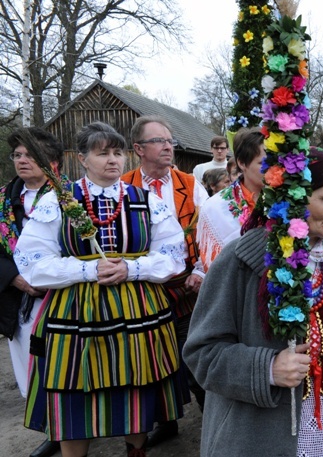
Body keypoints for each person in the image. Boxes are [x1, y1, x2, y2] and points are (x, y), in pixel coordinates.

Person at [183, 148, 323, 456]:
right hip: (259, 437)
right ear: (294, 199)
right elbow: (201, 354)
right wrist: (266, 369)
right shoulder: (241, 262)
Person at [14, 122, 187, 457]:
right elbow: (32, 260)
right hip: (75, 313)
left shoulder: (144, 200)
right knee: (73, 394)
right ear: (83, 159)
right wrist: (87, 269)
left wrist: (132, 268)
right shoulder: (58, 202)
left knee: (136, 386)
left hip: (137, 309)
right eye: (102, 152)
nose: (113, 160)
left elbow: (173, 253)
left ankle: (135, 451)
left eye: (118, 152)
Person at [122, 115, 209, 446]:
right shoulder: (125, 186)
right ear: (139, 148)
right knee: (151, 359)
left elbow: (207, 232)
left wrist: (201, 269)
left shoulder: (189, 184)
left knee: (194, 355)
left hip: (185, 285)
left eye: (170, 140)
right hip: (141, 288)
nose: (168, 146)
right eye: (159, 141)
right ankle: (165, 421)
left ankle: (212, 423)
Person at [0, 128, 63, 457]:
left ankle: (68, 425)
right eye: (18, 155)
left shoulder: (69, 198)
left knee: (63, 363)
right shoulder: (2, 202)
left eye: (30, 155)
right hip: (20, 300)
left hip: (62, 296)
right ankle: (51, 428)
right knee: (29, 364)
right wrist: (14, 279)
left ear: (51, 161)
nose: (22, 161)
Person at [196, 127, 266, 271]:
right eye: (263, 163)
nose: (272, 168)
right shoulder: (215, 207)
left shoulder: (288, 200)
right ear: (242, 163)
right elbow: (215, 267)